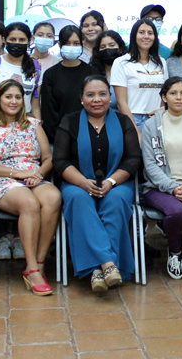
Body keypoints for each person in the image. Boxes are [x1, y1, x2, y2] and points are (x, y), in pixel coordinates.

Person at [56, 76, 141, 294]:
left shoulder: (123, 122)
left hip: (117, 181)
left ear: (110, 97)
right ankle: (107, 265)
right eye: (90, 94)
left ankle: (96, 269)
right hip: (77, 181)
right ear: (81, 98)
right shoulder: (70, 122)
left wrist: (112, 181)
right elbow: (60, 161)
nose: (97, 99)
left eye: (102, 94)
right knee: (78, 199)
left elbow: (133, 159)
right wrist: (83, 182)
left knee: (116, 201)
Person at [0, 79, 61, 295]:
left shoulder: (33, 124)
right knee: (29, 203)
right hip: (0, 179)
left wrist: (39, 174)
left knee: (53, 197)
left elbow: (48, 157)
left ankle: (39, 263)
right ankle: (31, 269)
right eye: (8, 97)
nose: (13, 101)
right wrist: (18, 174)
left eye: (17, 97)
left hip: (32, 177)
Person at [141, 77, 182, 280]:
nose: (178, 97)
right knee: (176, 211)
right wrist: (171, 187)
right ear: (164, 97)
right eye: (172, 93)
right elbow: (150, 163)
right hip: (158, 187)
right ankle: (174, 251)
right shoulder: (152, 125)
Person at [0, 22, 42, 123]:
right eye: (12, 39)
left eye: (22, 40)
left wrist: (38, 127)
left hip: (24, 125)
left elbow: (35, 106)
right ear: (4, 40)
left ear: (30, 41)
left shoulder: (36, 67)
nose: (17, 43)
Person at [112, 18, 168, 130]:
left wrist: (162, 111)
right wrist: (135, 131)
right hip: (132, 119)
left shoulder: (161, 62)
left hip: (156, 119)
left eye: (150, 33)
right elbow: (121, 102)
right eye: (141, 32)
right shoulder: (121, 62)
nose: (146, 36)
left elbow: (165, 94)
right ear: (134, 36)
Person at [41, 25, 94, 142]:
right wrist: (60, 138)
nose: (71, 47)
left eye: (76, 43)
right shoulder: (51, 75)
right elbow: (48, 112)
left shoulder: (92, 72)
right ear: (60, 45)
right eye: (67, 43)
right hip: (58, 138)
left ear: (82, 43)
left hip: (89, 136)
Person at [90, 30, 126, 110]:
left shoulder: (128, 71)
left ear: (120, 48)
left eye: (111, 45)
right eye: (103, 47)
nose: (107, 49)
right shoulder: (93, 73)